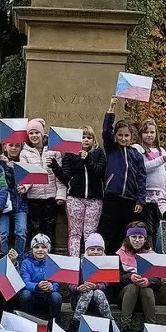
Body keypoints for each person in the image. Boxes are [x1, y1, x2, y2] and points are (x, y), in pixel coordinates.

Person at [97, 98, 146, 253]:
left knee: (122, 234)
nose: (123, 138)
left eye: (126, 135)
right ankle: (102, 261)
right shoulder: (112, 149)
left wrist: (140, 200)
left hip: (130, 200)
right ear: (116, 136)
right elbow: (106, 131)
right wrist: (111, 108)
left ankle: (118, 264)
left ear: (131, 137)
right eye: (120, 135)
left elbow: (141, 178)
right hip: (112, 197)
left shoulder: (136, 155)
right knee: (107, 232)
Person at [57, 126, 106, 257]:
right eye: (82, 137)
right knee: (75, 233)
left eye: (89, 138)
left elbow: (100, 172)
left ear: (93, 140)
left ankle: (90, 263)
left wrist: (88, 159)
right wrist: (55, 168)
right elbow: (65, 177)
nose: (85, 140)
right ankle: (74, 264)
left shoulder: (99, 153)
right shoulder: (70, 154)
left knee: (90, 233)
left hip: (94, 199)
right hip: (75, 198)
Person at [20, 119, 64, 248]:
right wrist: (24, 187)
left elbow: (59, 175)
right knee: (36, 229)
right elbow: (26, 176)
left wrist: (61, 194)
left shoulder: (54, 150)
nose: (34, 136)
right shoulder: (25, 153)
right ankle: (35, 258)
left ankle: (50, 258)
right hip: (34, 197)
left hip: (51, 197)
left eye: (36, 132)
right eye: (31, 133)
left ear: (42, 134)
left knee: (50, 229)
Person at [115, 221, 162, 332]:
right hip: (125, 298)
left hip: (146, 299)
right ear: (128, 238)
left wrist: (148, 281)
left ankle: (151, 327)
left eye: (140, 237)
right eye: (134, 237)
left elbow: (158, 281)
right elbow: (116, 279)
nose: (137, 240)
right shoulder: (119, 254)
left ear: (145, 239)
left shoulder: (152, 255)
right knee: (133, 287)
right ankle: (125, 326)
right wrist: (130, 277)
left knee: (146, 288)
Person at [67, 233, 114, 332]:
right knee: (88, 293)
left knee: (97, 292)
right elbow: (70, 284)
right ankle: (75, 323)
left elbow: (106, 284)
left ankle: (111, 324)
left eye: (99, 249)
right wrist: (78, 288)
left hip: (99, 300)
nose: (96, 252)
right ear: (87, 250)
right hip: (79, 298)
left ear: (103, 250)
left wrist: (95, 286)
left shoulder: (107, 264)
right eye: (92, 249)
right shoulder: (78, 262)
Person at [136, 119, 166, 253]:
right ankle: (148, 254)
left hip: (160, 196)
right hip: (146, 197)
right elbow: (143, 168)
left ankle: (158, 255)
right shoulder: (139, 149)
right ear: (141, 134)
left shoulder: (161, 150)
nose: (149, 135)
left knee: (158, 227)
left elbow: (165, 173)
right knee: (148, 227)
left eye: (152, 132)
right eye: (146, 132)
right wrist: (162, 160)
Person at [18, 234, 63, 327]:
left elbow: (57, 282)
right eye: (36, 247)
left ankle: (54, 325)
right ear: (32, 249)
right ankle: (25, 324)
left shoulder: (53, 262)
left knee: (57, 296)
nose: (40, 250)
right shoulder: (26, 262)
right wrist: (37, 286)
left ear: (48, 249)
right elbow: (24, 282)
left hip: (47, 297)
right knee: (25, 294)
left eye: (44, 247)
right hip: (33, 296)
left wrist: (52, 287)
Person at [0, 141, 29, 255]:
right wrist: (7, 166)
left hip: (20, 203)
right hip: (4, 204)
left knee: (21, 232)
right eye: (11, 145)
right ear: (5, 147)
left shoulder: (24, 162)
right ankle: (3, 260)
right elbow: (5, 182)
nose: (14, 148)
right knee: (3, 233)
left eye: (17, 146)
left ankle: (19, 258)